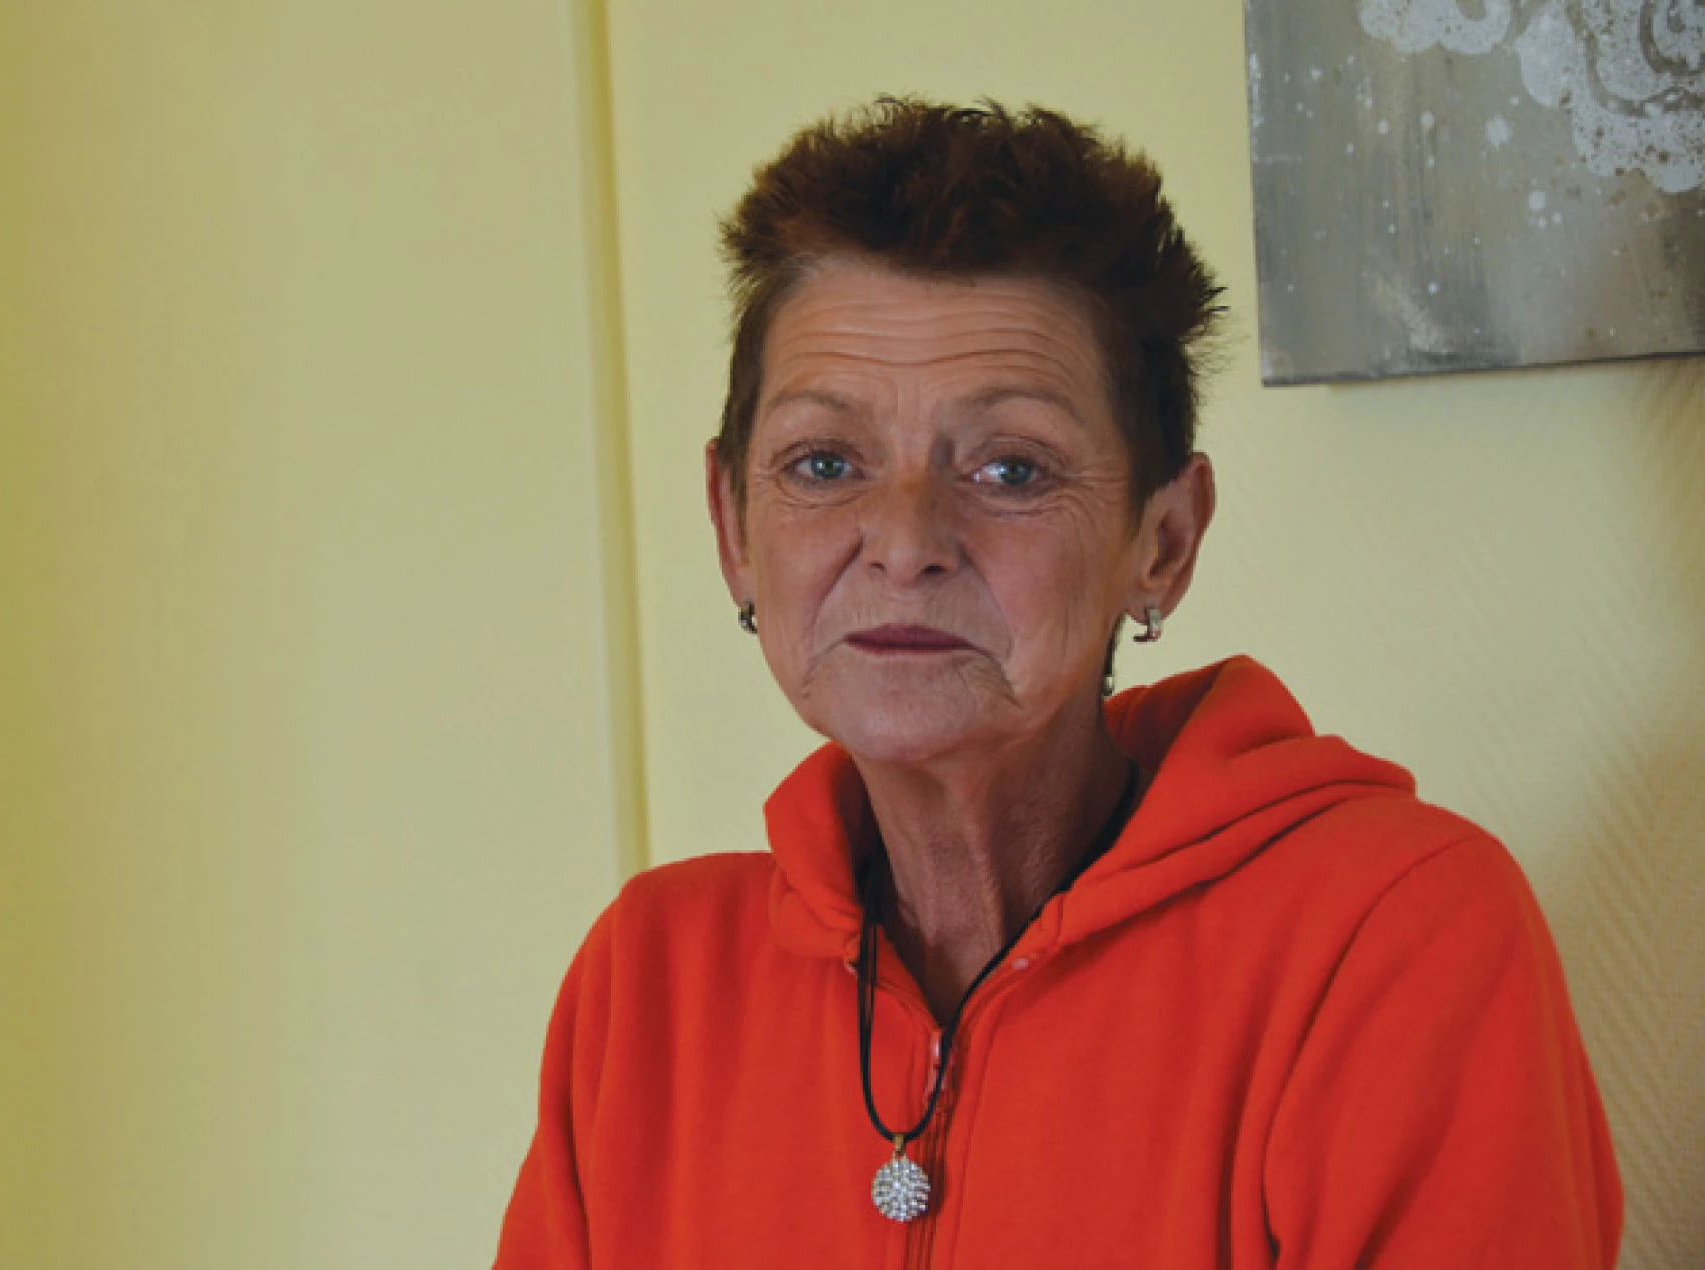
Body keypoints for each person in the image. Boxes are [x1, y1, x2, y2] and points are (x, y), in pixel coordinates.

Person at [496, 97, 1622, 1267]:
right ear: (735, 525)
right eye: (824, 463)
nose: (903, 539)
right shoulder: (649, 989)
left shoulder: (1392, 938)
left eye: (1010, 466)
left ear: (1164, 540)